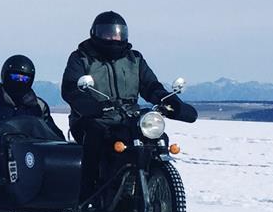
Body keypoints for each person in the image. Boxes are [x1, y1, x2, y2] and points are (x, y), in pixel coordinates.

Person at [61, 11, 197, 200]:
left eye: (118, 33)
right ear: (95, 33)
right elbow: (70, 88)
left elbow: (150, 85)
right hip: (91, 118)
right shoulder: (82, 57)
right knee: (95, 137)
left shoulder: (134, 59)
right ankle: (87, 194)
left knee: (157, 138)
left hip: (128, 117)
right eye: (108, 33)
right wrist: (89, 106)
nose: (114, 38)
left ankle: (152, 187)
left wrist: (169, 101)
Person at [0, 55, 65, 181]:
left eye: (24, 78)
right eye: (15, 77)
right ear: (5, 75)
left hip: (33, 159)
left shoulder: (39, 106)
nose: (19, 81)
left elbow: (52, 133)